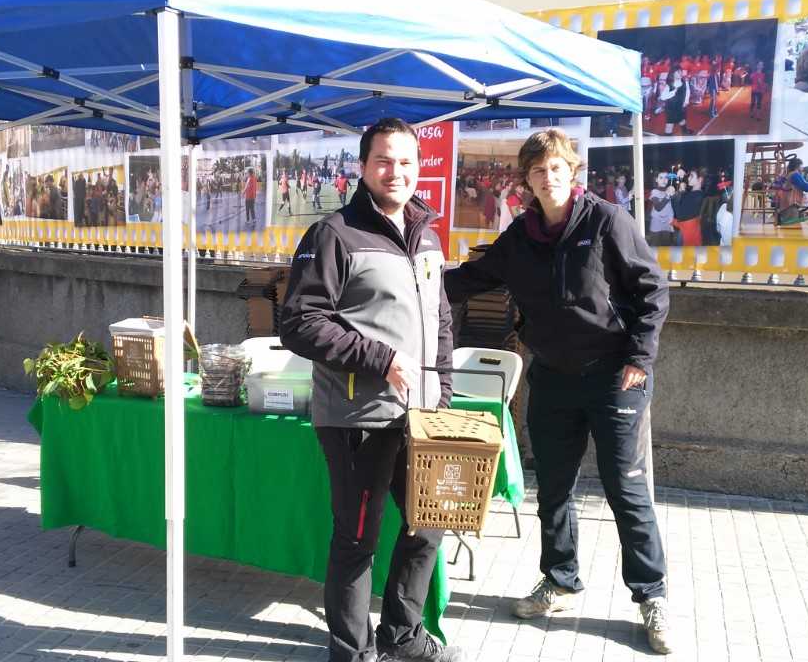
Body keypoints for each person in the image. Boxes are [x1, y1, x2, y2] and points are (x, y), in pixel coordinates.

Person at [443, 128, 672, 656]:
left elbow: (650, 292)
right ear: (525, 179)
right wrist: (417, 281)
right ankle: (560, 581)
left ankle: (651, 595)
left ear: (573, 172)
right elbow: (474, 278)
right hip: (551, 376)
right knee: (554, 490)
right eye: (538, 170)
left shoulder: (607, 221)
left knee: (626, 492)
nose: (549, 177)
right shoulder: (520, 236)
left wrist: (639, 359)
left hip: (616, 375)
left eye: (558, 168)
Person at [280, 118, 461, 662]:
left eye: (406, 161)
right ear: (362, 167)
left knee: (428, 524)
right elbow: (300, 321)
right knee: (358, 539)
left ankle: (402, 634)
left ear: (419, 167)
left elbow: (441, 320)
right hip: (357, 416)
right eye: (384, 160)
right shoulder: (334, 234)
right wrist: (380, 359)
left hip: (421, 415)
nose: (395, 171)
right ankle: (351, 652)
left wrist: (443, 393)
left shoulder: (428, 235)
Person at [659, 69, 692, 136]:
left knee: (682, 118)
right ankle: (667, 139)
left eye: (680, 72)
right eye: (678, 72)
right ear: (673, 74)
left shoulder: (685, 82)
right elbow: (663, 97)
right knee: (669, 125)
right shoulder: (669, 85)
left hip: (680, 106)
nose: (680, 74)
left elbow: (687, 91)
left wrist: (686, 101)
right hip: (671, 107)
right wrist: (673, 92)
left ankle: (685, 131)